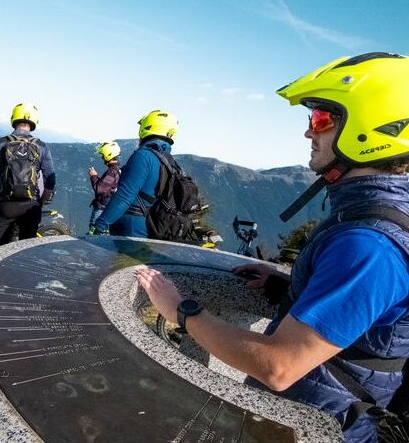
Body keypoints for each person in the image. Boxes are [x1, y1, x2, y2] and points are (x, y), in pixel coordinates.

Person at [137, 52, 409, 443]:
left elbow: (280, 367)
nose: (309, 132)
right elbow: (365, 316)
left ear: (370, 129)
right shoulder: (378, 215)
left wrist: (183, 311)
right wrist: (286, 287)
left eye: (321, 118)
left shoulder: (369, 244)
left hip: (310, 427)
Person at [91, 110, 178, 237]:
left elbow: (125, 196)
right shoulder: (169, 161)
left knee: (123, 258)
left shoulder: (144, 157)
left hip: (131, 228)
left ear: (146, 128)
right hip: (151, 226)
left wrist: (99, 225)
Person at [0, 103, 56, 247]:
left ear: (14, 118)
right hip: (30, 205)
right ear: (34, 121)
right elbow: (50, 179)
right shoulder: (41, 146)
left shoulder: (0, 143)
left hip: (4, 203)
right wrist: (40, 201)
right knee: (25, 250)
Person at [87, 141, 121, 234]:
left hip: (102, 208)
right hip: (108, 207)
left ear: (108, 155)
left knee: (93, 233)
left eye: (103, 155)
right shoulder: (117, 170)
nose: (102, 158)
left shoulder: (112, 172)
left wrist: (93, 176)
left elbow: (99, 189)